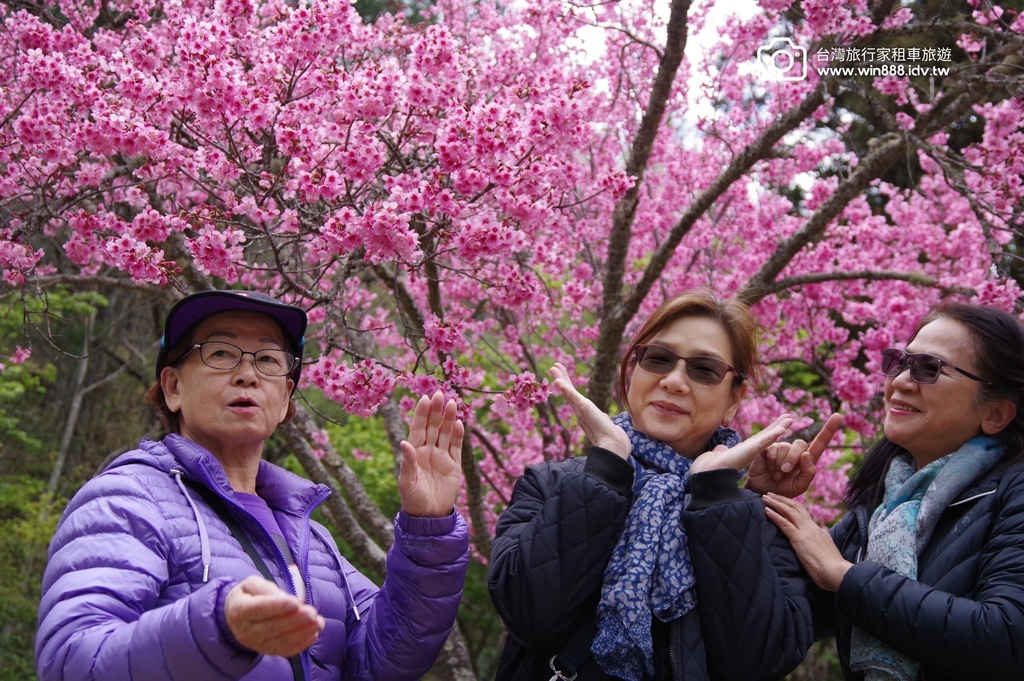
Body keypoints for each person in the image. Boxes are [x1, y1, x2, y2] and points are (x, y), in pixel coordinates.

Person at [35, 289, 470, 681]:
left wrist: (426, 529)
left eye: (267, 360)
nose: (248, 374)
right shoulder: (128, 498)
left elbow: (381, 661)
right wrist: (217, 628)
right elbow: (70, 659)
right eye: (221, 354)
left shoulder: (311, 536)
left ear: (284, 399)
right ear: (172, 388)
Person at [487, 289, 840, 681]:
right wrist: (606, 468)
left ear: (734, 399)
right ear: (634, 369)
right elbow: (527, 614)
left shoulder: (757, 516)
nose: (673, 381)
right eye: (658, 359)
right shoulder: (553, 483)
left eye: (704, 369)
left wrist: (716, 495)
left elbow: (760, 661)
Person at [760, 302, 1024, 680]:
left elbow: (1008, 638)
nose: (900, 381)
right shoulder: (879, 513)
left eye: (929, 368)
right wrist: (761, 499)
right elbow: (772, 623)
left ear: (996, 413)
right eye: (899, 361)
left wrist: (845, 576)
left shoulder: (1012, 495)